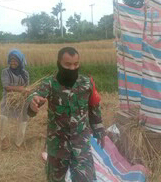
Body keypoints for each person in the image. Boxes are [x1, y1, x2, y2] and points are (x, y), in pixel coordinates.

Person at [26, 47, 105, 182]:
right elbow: (36, 95)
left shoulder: (87, 83)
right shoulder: (50, 83)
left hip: (81, 145)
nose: (72, 68)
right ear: (59, 64)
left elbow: (94, 108)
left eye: (76, 64)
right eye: (67, 65)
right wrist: (32, 103)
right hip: (57, 146)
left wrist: (99, 131)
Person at [0, 49, 29, 150]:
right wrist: (20, 89)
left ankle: (19, 143)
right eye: (11, 60)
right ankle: (4, 140)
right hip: (8, 99)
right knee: (4, 117)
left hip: (21, 100)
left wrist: (25, 93)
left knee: (23, 120)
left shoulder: (25, 74)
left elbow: (26, 88)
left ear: (20, 61)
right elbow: (7, 87)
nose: (13, 62)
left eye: (15, 60)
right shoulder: (5, 72)